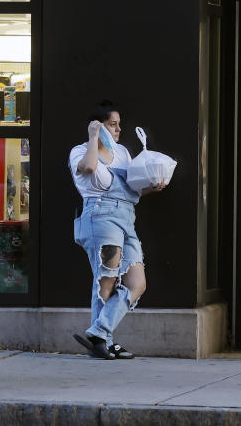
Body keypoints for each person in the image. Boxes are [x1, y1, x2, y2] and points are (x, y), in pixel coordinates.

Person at [69, 101, 164, 359]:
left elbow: (133, 189)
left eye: (119, 124)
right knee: (106, 279)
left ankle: (99, 332)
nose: (119, 129)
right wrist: (93, 137)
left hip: (126, 218)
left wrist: (152, 187)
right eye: (113, 125)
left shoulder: (123, 152)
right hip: (100, 216)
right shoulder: (80, 152)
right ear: (98, 126)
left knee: (137, 282)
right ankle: (104, 343)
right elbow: (89, 168)